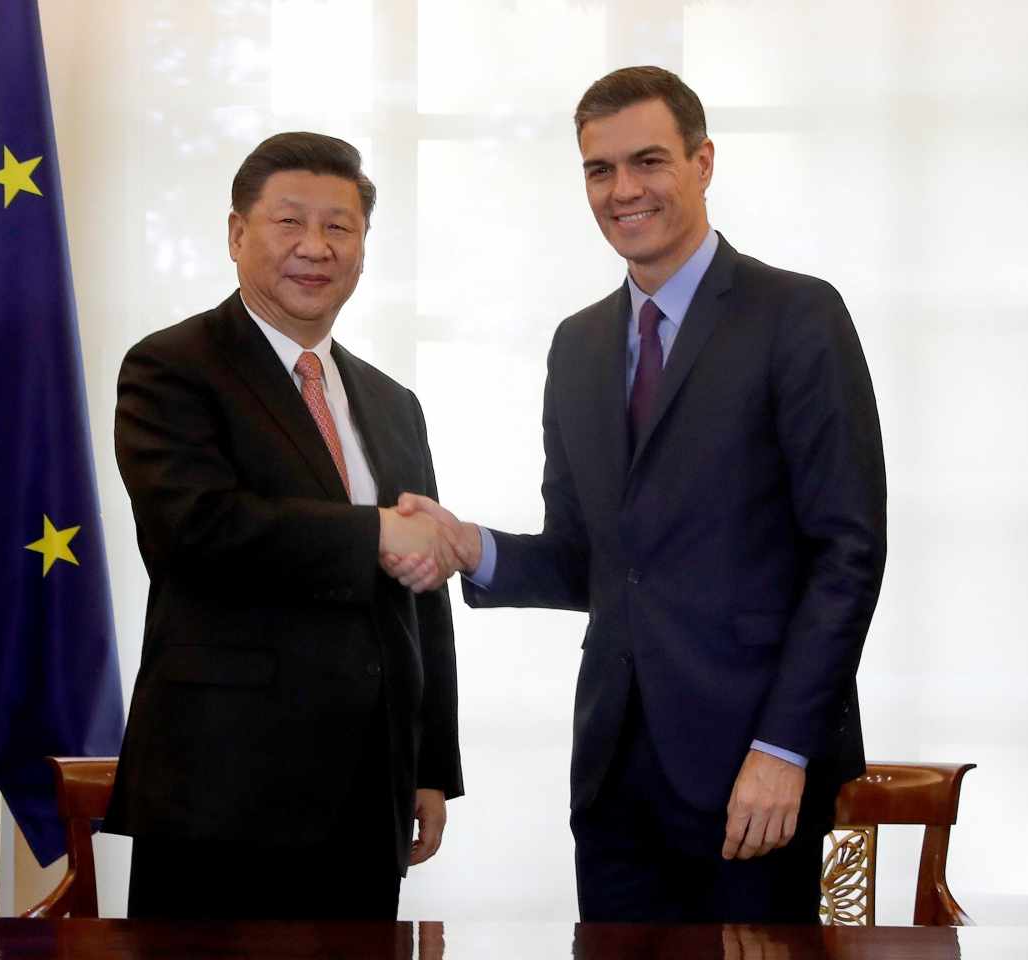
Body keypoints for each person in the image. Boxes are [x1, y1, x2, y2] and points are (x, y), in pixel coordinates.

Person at [386, 66, 887, 923]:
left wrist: (783, 747)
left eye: (648, 161)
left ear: (703, 161)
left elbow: (848, 552)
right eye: (598, 169)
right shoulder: (577, 345)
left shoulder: (797, 315)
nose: (623, 191)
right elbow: (594, 561)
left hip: (753, 774)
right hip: (615, 776)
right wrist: (474, 546)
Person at [104, 131, 464, 921]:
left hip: (368, 796)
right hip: (221, 791)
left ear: (364, 246)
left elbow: (422, 590)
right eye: (288, 223)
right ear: (237, 234)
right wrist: (372, 534)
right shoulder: (173, 366)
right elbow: (192, 528)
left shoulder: (392, 402)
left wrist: (431, 762)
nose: (315, 247)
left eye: (339, 227)